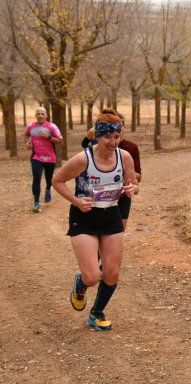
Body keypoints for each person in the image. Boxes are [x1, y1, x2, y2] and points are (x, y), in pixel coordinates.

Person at [52, 113, 139, 331]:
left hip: (111, 216)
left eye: (117, 136)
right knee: (92, 276)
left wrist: (131, 189)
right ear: (98, 137)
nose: (113, 142)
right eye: (108, 137)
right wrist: (76, 201)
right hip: (84, 218)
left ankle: (97, 313)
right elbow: (57, 180)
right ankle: (81, 284)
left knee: (112, 272)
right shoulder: (83, 159)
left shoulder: (125, 157)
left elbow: (134, 183)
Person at [82, 109, 142, 230]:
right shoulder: (97, 145)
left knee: (118, 231)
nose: (112, 141)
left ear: (122, 127)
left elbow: (138, 178)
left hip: (122, 197)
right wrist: (88, 137)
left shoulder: (131, 148)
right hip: (98, 198)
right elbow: (85, 148)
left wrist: (124, 173)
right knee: (97, 232)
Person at [24, 107, 63, 213]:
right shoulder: (30, 127)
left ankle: (47, 189)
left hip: (50, 158)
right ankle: (36, 203)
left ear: (46, 115)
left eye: (42, 113)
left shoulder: (51, 126)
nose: (40, 115)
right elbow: (27, 135)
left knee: (49, 179)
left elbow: (60, 141)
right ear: (35, 115)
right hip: (36, 157)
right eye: (38, 113)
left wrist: (49, 137)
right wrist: (28, 143)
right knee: (36, 177)